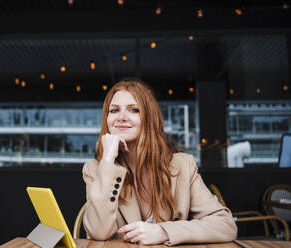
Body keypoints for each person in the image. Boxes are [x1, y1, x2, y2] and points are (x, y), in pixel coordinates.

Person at [82, 78, 237, 246]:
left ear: (149, 118)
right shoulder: (96, 169)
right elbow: (98, 232)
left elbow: (225, 225)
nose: (121, 117)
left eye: (133, 110)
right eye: (114, 110)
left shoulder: (183, 165)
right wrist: (107, 160)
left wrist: (164, 231)